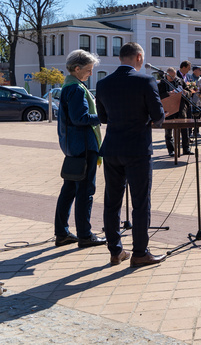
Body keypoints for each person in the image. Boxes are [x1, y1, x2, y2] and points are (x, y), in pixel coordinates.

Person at [96, 42, 165, 267]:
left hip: (112, 148)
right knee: (140, 203)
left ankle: (115, 251)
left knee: (112, 201)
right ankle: (140, 253)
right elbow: (158, 115)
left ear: (120, 58)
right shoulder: (145, 80)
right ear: (138, 57)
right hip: (137, 149)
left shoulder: (103, 83)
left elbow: (103, 118)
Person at [55, 49, 106, 249]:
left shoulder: (68, 86)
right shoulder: (76, 89)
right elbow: (80, 118)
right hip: (84, 147)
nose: (91, 73)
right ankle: (85, 235)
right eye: (88, 69)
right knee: (85, 191)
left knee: (68, 190)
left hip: (73, 146)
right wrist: (103, 116)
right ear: (77, 69)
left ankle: (62, 233)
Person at [157, 67, 190, 154]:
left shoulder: (180, 81)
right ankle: (171, 150)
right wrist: (168, 94)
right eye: (170, 76)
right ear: (166, 75)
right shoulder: (161, 84)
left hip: (181, 108)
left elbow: (189, 91)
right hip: (168, 108)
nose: (172, 78)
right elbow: (158, 96)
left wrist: (186, 93)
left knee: (184, 129)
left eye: (174, 76)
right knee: (168, 130)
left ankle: (186, 149)